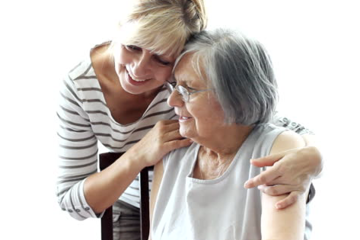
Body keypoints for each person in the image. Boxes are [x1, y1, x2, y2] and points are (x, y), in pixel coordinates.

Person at [56, 1, 321, 239]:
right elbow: (72, 200)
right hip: (138, 200)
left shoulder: (189, 72)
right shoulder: (80, 84)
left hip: (203, 191)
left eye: (160, 59)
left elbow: (259, 110)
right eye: (132, 46)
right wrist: (139, 155)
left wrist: (313, 157)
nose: (138, 69)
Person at [150, 29, 314, 240]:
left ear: (237, 98)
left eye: (187, 90)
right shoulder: (172, 152)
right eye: (174, 86)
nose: (171, 101)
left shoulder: (277, 148)